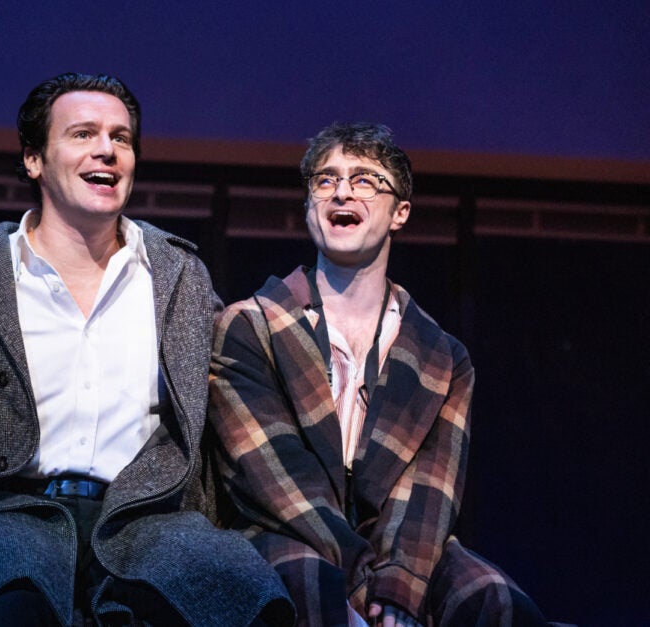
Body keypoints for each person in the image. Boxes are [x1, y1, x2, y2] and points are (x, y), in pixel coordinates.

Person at [0, 73, 293, 627]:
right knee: (9, 605)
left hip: (146, 515)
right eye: (83, 134)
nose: (107, 150)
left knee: (247, 598)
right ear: (33, 160)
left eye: (121, 138)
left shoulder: (179, 274)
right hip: (6, 510)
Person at [208, 123, 550, 626]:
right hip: (286, 531)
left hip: (396, 544)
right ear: (308, 205)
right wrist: (361, 579)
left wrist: (399, 584)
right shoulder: (250, 325)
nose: (341, 192)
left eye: (365, 180)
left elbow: (430, 489)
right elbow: (272, 476)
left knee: (492, 597)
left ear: (400, 213)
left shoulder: (441, 356)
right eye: (325, 180)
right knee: (309, 581)